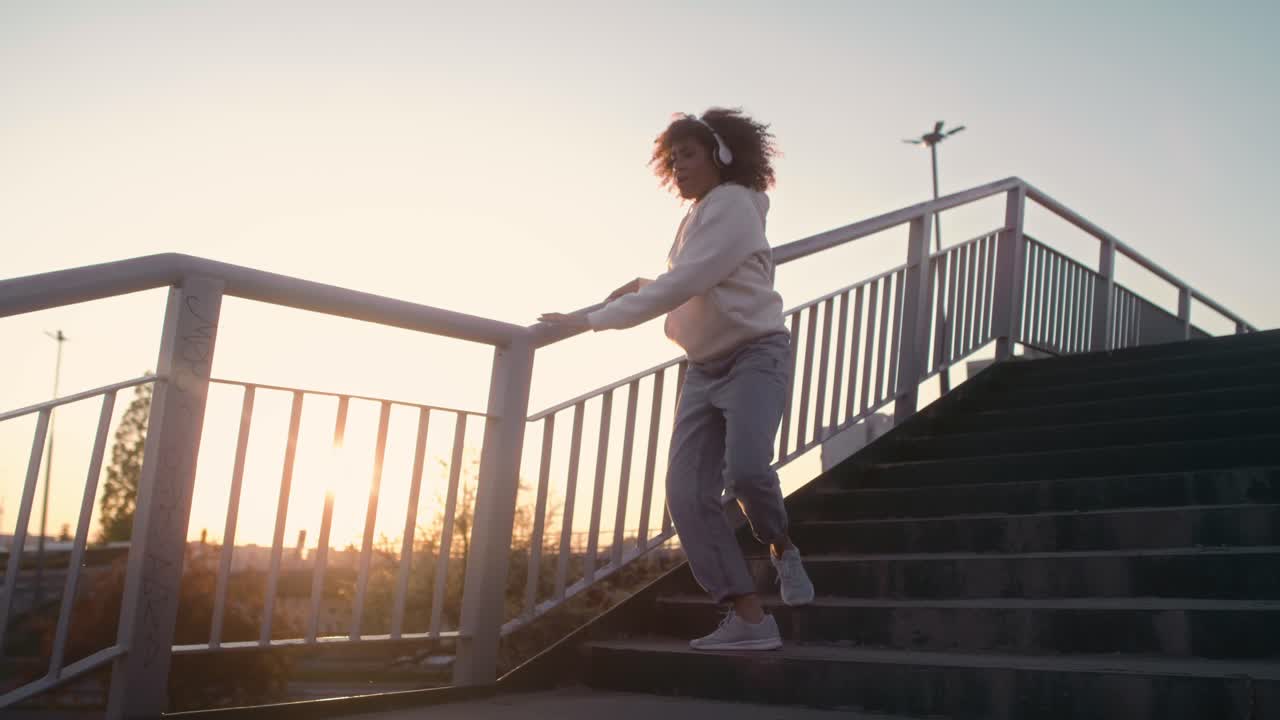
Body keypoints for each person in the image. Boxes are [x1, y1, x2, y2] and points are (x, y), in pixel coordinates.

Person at [539, 108, 814, 651]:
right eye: (673, 158)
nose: (679, 166)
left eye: (689, 154)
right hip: (704, 367)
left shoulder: (735, 205)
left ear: (723, 154)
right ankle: (750, 618)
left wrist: (590, 319)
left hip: (756, 355)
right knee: (686, 493)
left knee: (748, 471)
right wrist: (642, 285)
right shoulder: (697, 218)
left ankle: (783, 548)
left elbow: (688, 279)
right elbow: (694, 281)